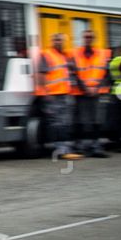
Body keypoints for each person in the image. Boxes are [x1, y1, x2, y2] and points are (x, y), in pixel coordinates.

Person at [37, 32, 79, 161]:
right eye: (55, 40)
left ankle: (65, 149)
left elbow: (71, 74)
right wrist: (46, 92)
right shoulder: (46, 54)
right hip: (53, 96)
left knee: (66, 123)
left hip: (65, 94)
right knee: (57, 123)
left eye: (60, 40)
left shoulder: (66, 55)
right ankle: (60, 150)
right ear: (52, 41)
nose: (58, 42)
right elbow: (42, 74)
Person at [69, 28, 111, 158]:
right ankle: (81, 147)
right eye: (86, 37)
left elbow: (107, 74)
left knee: (97, 120)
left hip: (97, 93)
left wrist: (96, 88)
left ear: (94, 39)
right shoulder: (74, 53)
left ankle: (96, 147)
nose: (88, 39)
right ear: (83, 38)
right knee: (81, 120)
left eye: (90, 37)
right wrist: (85, 88)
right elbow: (72, 73)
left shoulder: (103, 53)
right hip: (81, 93)